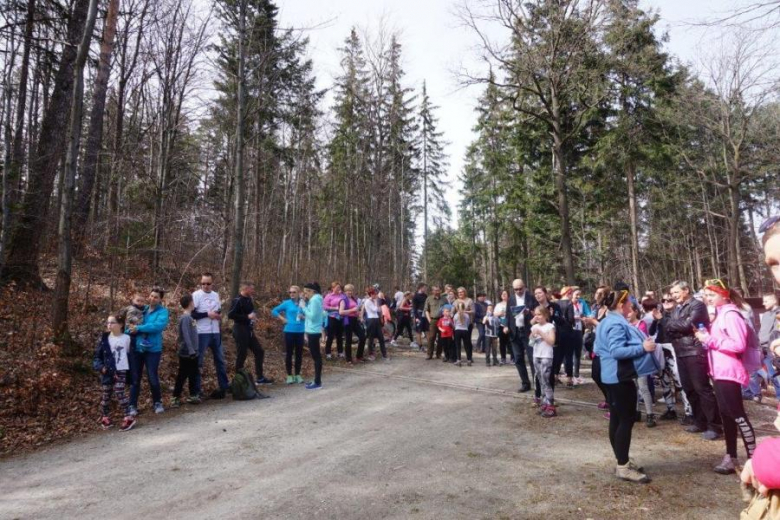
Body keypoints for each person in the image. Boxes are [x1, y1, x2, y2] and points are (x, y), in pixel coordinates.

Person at [594, 284, 657, 484]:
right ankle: (623, 466)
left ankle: (622, 461)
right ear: (621, 304)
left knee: (617, 419)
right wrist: (642, 347)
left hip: (610, 376)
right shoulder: (615, 324)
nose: (632, 304)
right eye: (629, 301)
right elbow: (617, 351)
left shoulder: (606, 320)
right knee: (626, 420)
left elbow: (599, 347)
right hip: (620, 377)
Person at [694, 278, 757, 475]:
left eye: (712, 294)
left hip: (729, 372)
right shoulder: (720, 314)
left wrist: (709, 340)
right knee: (727, 416)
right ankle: (731, 457)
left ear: (724, 295)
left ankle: (754, 460)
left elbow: (738, 345)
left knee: (738, 416)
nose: (708, 298)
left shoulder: (731, 314)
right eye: (707, 295)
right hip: (719, 372)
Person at [666, 280, 722, 440]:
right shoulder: (677, 308)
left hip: (694, 351)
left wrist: (676, 325)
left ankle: (715, 425)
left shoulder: (697, 305)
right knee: (688, 388)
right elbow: (669, 327)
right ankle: (700, 421)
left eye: (677, 292)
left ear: (686, 290)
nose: (674, 296)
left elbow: (687, 325)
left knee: (702, 389)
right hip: (680, 351)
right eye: (672, 293)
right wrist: (677, 325)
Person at [650, 292, 693, 423]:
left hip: (674, 350)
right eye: (664, 300)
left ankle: (689, 412)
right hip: (661, 350)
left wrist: (661, 319)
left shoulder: (679, 314)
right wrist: (655, 320)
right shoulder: (660, 315)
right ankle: (670, 409)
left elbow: (673, 329)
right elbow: (651, 332)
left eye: (670, 300)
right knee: (665, 381)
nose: (667, 302)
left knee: (680, 381)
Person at [128, 287, 169, 415]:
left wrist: (138, 328)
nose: (152, 298)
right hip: (137, 348)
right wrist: (128, 330)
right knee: (135, 377)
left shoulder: (163, 312)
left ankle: (157, 402)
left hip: (153, 349)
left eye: (156, 297)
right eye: (151, 296)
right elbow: (129, 324)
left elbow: (157, 327)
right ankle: (132, 405)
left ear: (160, 299)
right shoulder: (142, 309)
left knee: (152, 376)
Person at [93, 314, 135, 431]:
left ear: (121, 325)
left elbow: (130, 355)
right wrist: (101, 367)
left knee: (119, 391)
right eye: (108, 323)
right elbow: (97, 357)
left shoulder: (127, 338)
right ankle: (105, 417)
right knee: (106, 395)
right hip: (107, 371)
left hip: (121, 370)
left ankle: (128, 416)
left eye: (112, 322)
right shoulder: (104, 339)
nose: (109, 325)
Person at [228, 282, 273, 390]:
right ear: (246, 289)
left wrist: (253, 317)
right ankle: (237, 381)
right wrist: (247, 317)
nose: (253, 291)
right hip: (240, 329)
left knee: (259, 351)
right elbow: (231, 315)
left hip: (249, 330)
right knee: (242, 354)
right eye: (252, 289)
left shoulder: (249, 299)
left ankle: (260, 378)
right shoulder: (237, 300)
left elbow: (251, 312)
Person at [191, 273, 229, 400]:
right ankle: (196, 391)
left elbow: (218, 310)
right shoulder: (196, 295)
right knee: (198, 362)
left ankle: (224, 386)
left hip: (215, 331)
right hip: (202, 332)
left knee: (220, 360)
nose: (206, 286)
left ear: (212, 283)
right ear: (200, 283)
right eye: (203, 283)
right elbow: (192, 314)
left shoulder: (216, 295)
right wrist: (208, 314)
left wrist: (217, 315)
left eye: (208, 283)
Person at [627, 301, 656, 427]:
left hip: (641, 361)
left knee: (643, 388)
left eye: (630, 311)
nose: (627, 314)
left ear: (636, 312)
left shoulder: (641, 324)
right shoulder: (624, 325)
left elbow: (640, 340)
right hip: (630, 359)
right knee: (633, 388)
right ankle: (636, 412)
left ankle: (650, 414)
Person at [746, 293, 780, 402]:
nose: (763, 303)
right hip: (762, 348)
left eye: (766, 301)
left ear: (774, 301)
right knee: (770, 376)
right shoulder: (765, 315)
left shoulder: (778, 313)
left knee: (775, 376)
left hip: (773, 349)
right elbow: (762, 331)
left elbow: (776, 332)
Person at [507, 279, 538, 392]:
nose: (519, 291)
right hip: (515, 332)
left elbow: (538, 313)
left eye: (520, 288)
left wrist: (528, 312)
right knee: (518, 359)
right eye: (516, 289)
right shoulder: (511, 299)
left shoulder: (531, 298)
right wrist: (507, 327)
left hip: (528, 332)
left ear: (524, 287)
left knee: (532, 358)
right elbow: (508, 315)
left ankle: (537, 383)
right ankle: (525, 383)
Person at [271, 286, 306, 384]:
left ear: (299, 293)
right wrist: (282, 319)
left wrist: (303, 317)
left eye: (294, 292)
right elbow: (274, 311)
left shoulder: (303, 303)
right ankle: (289, 375)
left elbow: (309, 315)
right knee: (289, 353)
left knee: (299, 354)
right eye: (290, 292)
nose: (291, 294)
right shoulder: (286, 303)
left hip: (300, 331)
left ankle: (298, 374)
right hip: (289, 331)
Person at [172, 295, 201, 407]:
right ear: (190, 303)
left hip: (194, 351)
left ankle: (193, 395)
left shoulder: (190, 317)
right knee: (182, 374)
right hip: (187, 352)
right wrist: (190, 350)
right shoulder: (185, 318)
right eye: (193, 302)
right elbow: (186, 335)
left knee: (193, 374)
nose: (194, 304)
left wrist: (195, 349)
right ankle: (175, 397)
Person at [530, 306, 557, 418]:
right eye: (535, 314)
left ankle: (551, 405)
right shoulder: (534, 326)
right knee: (540, 380)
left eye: (539, 314)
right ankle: (544, 402)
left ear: (545, 315)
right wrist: (532, 335)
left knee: (546, 381)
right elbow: (530, 342)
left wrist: (541, 333)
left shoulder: (550, 326)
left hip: (546, 356)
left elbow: (552, 341)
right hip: (536, 355)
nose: (537, 316)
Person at [557, 286, 582, 387]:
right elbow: (571, 319)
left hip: (558, 332)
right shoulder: (569, 304)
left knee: (559, 355)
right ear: (568, 294)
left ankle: (555, 376)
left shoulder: (556, 303)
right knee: (568, 356)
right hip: (568, 332)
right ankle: (569, 379)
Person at [302, 282, 325, 389]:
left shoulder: (315, 300)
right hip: (312, 330)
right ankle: (316, 380)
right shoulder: (315, 299)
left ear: (312, 291)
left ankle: (317, 382)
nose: (304, 294)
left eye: (306, 291)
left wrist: (303, 308)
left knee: (316, 357)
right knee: (315, 357)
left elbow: (313, 316)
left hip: (314, 332)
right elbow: (320, 314)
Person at [340, 284, 365, 363]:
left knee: (363, 336)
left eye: (351, 290)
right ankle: (349, 359)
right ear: (345, 291)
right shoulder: (343, 300)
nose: (349, 292)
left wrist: (358, 313)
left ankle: (359, 356)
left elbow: (356, 310)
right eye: (348, 291)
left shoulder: (353, 299)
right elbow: (341, 312)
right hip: (347, 320)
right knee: (348, 340)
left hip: (354, 320)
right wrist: (352, 310)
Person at [323, 282, 347, 360]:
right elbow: (325, 306)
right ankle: (328, 353)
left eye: (339, 287)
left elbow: (346, 304)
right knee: (330, 336)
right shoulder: (328, 296)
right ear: (332, 288)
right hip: (332, 317)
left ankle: (340, 352)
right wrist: (335, 308)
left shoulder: (342, 296)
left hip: (340, 318)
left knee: (339, 336)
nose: (338, 289)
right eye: (336, 287)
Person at [424, 286, 446, 360]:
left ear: (440, 291)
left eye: (438, 290)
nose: (437, 292)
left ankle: (438, 354)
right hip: (433, 320)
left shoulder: (444, 299)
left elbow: (448, 308)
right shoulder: (429, 298)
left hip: (442, 320)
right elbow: (426, 310)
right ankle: (429, 354)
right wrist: (429, 319)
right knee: (431, 337)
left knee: (441, 337)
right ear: (432, 291)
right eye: (435, 290)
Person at [453, 302, 472, 366]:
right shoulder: (467, 315)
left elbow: (454, 324)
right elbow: (468, 323)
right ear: (464, 308)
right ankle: (469, 360)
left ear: (457, 308)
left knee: (458, 346)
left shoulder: (455, 315)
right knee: (467, 346)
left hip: (458, 331)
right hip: (465, 331)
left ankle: (459, 360)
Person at [494, 290, 510, 365]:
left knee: (510, 342)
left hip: (510, 325)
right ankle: (503, 358)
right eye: (502, 294)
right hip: (501, 325)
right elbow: (494, 314)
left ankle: (513, 357)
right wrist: (499, 313)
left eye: (505, 294)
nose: (503, 295)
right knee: (502, 343)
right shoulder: (498, 305)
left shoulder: (511, 303)